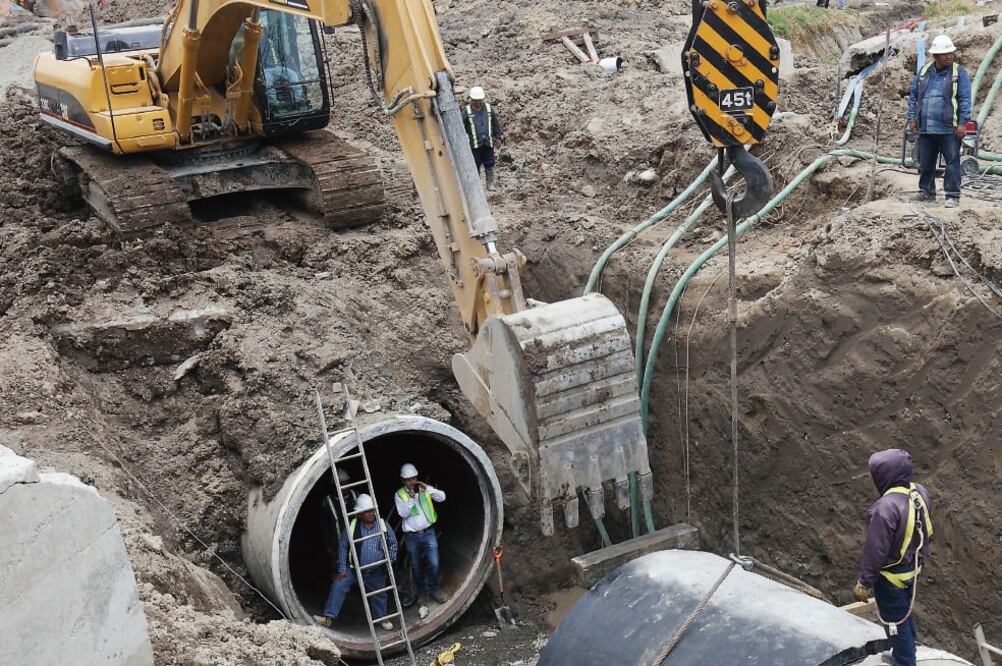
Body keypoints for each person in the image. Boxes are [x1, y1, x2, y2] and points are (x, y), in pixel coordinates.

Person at [852, 449, 934, 666]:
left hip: (890, 579)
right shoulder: (919, 493)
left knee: (895, 621)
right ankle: (903, 653)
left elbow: (875, 550)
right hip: (912, 569)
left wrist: (864, 582)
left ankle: (905, 661)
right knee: (904, 615)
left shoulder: (885, 508)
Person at [313, 493, 399, 631]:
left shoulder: (383, 524)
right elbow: (343, 547)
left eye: (372, 510)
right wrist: (342, 568)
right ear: (359, 514)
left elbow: (393, 544)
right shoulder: (352, 526)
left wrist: (390, 560)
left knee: (379, 594)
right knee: (339, 585)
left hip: (376, 570)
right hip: (354, 569)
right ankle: (328, 618)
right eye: (367, 511)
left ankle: (381, 618)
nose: (371, 513)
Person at [907, 34, 972, 208]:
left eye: (951, 52)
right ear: (935, 55)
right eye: (945, 53)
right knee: (926, 162)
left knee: (952, 162)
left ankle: (952, 195)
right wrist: (912, 119)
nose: (949, 56)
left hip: (949, 128)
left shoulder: (959, 73)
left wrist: (963, 123)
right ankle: (926, 192)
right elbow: (913, 96)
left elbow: (965, 99)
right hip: (927, 128)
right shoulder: (923, 72)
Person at [394, 463, 447, 605]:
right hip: (412, 537)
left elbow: (442, 497)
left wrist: (428, 489)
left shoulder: (424, 489)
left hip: (429, 533)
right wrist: (411, 499)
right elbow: (403, 513)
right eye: (408, 479)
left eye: (414, 478)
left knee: (434, 563)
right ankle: (422, 593)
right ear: (403, 480)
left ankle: (433, 590)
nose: (412, 482)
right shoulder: (400, 494)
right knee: (416, 566)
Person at [463, 86, 503, 191]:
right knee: (475, 164)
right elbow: (461, 126)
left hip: (488, 143)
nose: (477, 103)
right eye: (475, 101)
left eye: (479, 101)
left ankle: (490, 184)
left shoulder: (489, 109)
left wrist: (498, 137)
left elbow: (495, 124)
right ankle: (476, 186)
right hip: (475, 145)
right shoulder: (467, 111)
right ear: (471, 100)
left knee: (489, 163)